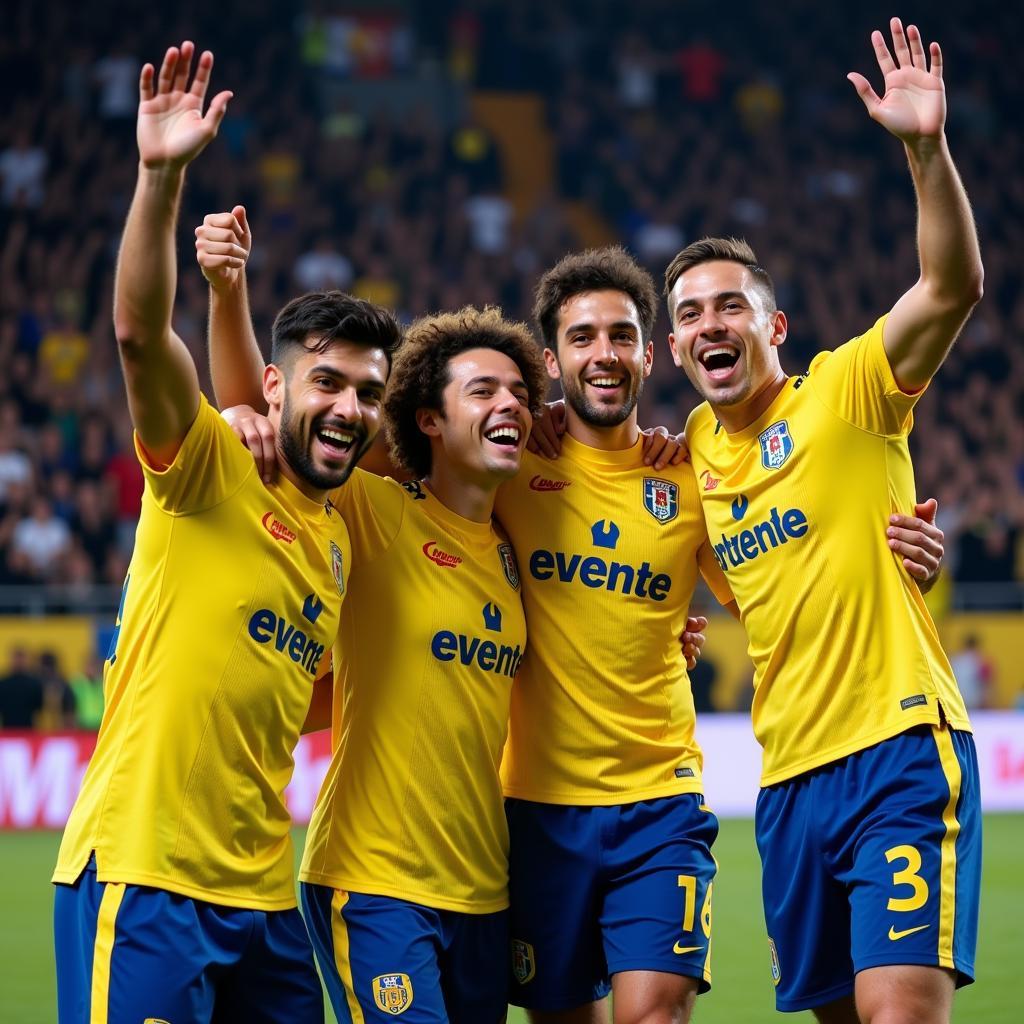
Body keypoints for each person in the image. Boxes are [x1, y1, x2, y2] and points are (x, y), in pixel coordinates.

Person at [51, 41, 402, 1023]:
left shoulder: (336, 541)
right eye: (328, 383)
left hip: (262, 898)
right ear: (279, 386)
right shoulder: (208, 463)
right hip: (146, 872)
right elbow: (134, 332)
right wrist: (159, 179)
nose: (349, 408)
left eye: (369, 394)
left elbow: (312, 702)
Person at [509, 246, 944, 1024]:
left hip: (663, 800)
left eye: (620, 335)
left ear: (650, 356)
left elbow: (775, 584)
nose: (602, 354)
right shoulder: (506, 469)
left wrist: (896, 562)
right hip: (537, 804)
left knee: (655, 1013)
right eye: (581, 338)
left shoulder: (690, 473)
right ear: (551, 361)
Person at [664, 19, 982, 1023]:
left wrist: (924, 153)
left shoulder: (847, 390)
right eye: (688, 314)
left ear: (774, 326)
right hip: (788, 779)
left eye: (729, 307)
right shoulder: (693, 458)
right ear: (674, 346)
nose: (709, 325)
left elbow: (951, 286)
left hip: (895, 744)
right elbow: (728, 584)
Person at [200, 218, 550, 1021]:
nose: (510, 405)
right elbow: (276, 417)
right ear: (428, 418)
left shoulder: (514, 552)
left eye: (521, 395)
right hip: (373, 881)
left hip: (482, 890)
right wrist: (229, 298)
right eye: (484, 390)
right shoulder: (379, 511)